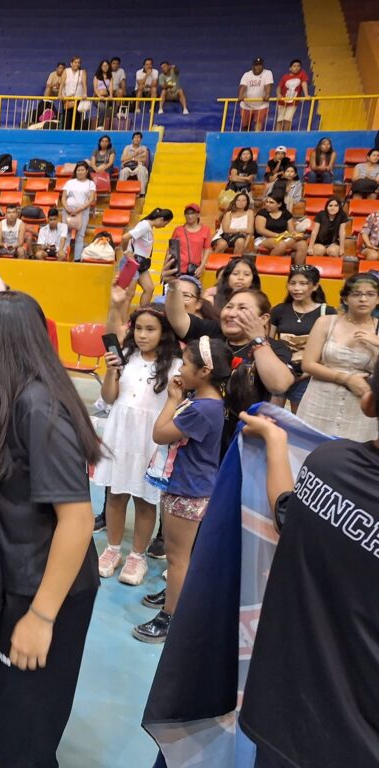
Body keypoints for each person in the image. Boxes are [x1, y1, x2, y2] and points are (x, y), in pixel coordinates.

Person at [0, 293, 100, 766]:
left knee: (25, 739)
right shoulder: (14, 396)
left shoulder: (39, 407)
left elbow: (78, 519)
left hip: (48, 592)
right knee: (9, 724)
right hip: (22, 584)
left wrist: (41, 617)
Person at [237, 364, 379, 768]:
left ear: (368, 401)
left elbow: (287, 511)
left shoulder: (328, 465)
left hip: (285, 714)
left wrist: (275, 442)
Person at [133, 337, 232, 643]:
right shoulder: (206, 402)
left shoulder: (203, 409)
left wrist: (172, 399)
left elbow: (160, 434)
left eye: (186, 364)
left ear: (204, 372)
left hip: (188, 490)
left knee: (178, 558)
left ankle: (170, 617)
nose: (181, 368)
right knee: (179, 556)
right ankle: (175, 597)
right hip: (184, 485)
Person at [94, 295, 182, 587]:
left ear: (164, 333)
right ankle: (113, 549)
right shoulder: (125, 358)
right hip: (121, 433)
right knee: (116, 495)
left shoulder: (176, 366)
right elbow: (108, 398)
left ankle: (137, 556)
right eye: (139, 329)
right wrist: (110, 372)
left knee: (146, 501)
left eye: (150, 329)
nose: (143, 335)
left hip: (151, 440)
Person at [163, 258, 294, 453]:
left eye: (242, 309)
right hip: (200, 439)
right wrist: (173, 287)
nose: (232, 313)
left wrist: (258, 340)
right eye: (230, 306)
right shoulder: (213, 332)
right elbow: (178, 320)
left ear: (264, 318)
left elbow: (279, 384)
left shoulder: (275, 348)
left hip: (243, 442)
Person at [298, 273, 379, 440]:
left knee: (353, 459)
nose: (363, 299)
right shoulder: (326, 322)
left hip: (360, 407)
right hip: (319, 401)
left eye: (370, 294)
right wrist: (347, 379)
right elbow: (308, 364)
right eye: (356, 294)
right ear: (345, 298)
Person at [269, 266, 335, 412]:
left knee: (299, 422)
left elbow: (330, 348)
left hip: (309, 376)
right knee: (272, 417)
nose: (297, 288)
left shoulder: (328, 312)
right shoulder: (279, 310)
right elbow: (269, 342)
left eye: (303, 283)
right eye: (293, 283)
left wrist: (308, 371)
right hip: (280, 372)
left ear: (315, 286)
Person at [121, 208, 174, 306]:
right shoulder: (145, 225)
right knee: (129, 294)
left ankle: (143, 313)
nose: (164, 227)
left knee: (149, 288)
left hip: (141, 264)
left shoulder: (149, 227)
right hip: (133, 262)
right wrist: (126, 252)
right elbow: (125, 237)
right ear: (161, 219)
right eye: (165, 224)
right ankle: (123, 320)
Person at [61, 161, 97, 261]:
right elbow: (63, 198)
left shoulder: (91, 184)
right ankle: (64, 256)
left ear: (86, 171)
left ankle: (77, 259)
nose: (80, 172)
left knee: (80, 235)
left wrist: (78, 209)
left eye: (82, 170)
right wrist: (67, 208)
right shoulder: (69, 182)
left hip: (83, 210)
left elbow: (91, 200)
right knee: (66, 233)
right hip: (68, 210)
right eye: (78, 170)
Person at [171, 203, 210, 278]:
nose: (189, 216)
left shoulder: (206, 230)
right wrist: (165, 268)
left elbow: (207, 249)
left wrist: (202, 267)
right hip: (178, 268)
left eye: (192, 213)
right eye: (187, 214)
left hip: (194, 268)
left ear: (198, 215)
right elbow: (171, 249)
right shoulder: (178, 230)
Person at [239, 57, 273, 131]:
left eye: (260, 65)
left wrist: (267, 94)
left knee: (258, 124)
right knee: (245, 126)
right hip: (246, 105)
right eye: (256, 65)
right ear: (253, 66)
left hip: (261, 105)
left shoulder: (267, 73)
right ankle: (245, 140)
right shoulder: (247, 75)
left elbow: (268, 85)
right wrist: (240, 95)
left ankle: (255, 141)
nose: (258, 67)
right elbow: (243, 86)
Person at [275, 59, 310, 131]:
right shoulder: (285, 77)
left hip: (293, 103)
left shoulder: (302, 74)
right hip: (282, 102)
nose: (296, 68)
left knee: (287, 119)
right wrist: (278, 94)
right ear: (290, 68)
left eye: (298, 66)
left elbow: (304, 83)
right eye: (294, 66)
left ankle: (285, 135)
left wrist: (306, 94)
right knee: (279, 120)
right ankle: (277, 135)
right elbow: (279, 87)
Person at [60, 57, 88, 130]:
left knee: (76, 118)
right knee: (67, 118)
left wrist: (85, 94)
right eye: (75, 62)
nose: (77, 64)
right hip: (67, 98)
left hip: (77, 98)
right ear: (71, 63)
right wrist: (60, 94)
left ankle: (75, 134)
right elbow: (62, 83)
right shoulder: (66, 71)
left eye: (79, 62)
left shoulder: (82, 72)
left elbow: (84, 84)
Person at [92, 61, 114, 130]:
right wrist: (99, 96)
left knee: (109, 110)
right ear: (101, 67)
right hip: (97, 97)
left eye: (107, 66)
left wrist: (111, 95)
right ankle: (100, 125)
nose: (105, 67)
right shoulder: (96, 76)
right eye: (103, 66)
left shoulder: (110, 76)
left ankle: (110, 127)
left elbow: (110, 87)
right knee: (102, 107)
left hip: (106, 97)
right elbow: (95, 88)